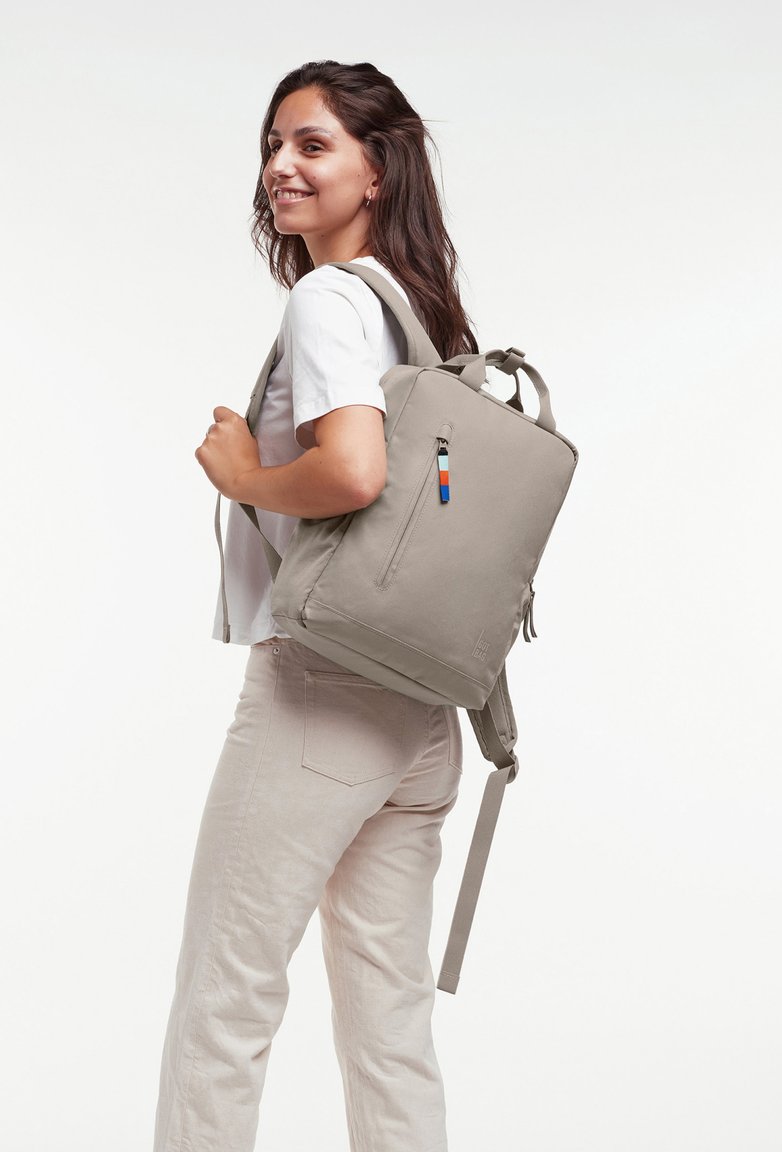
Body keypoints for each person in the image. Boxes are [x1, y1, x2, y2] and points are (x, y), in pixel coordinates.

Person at [153, 60, 478, 1152]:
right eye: (272, 145)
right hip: (424, 713)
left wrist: (242, 478)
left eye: (312, 145)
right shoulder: (423, 309)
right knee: (387, 1030)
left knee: (223, 1004)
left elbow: (349, 472)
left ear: (375, 169)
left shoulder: (330, 299)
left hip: (321, 697)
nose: (278, 168)